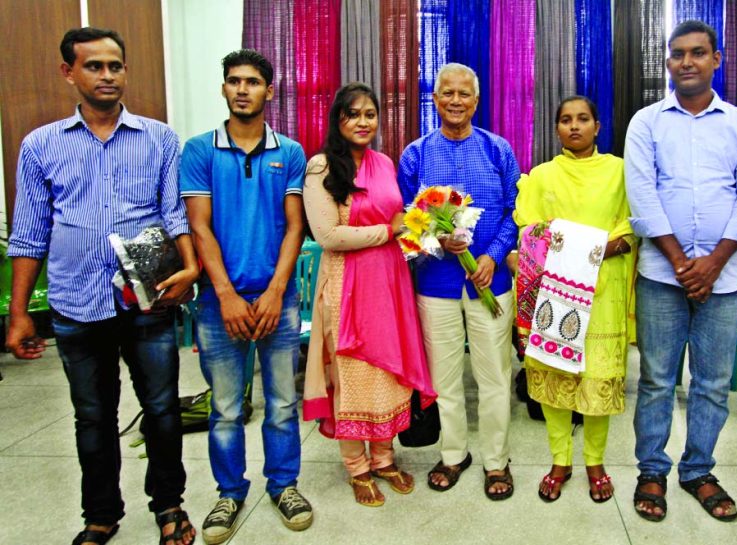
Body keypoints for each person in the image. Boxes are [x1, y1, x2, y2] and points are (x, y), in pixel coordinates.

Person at [5, 27, 198, 545]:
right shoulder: (41, 145)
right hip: (75, 302)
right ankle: (101, 514)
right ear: (69, 72)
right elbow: (29, 233)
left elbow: (174, 214)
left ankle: (169, 504)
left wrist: (191, 267)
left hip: (148, 299)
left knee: (160, 410)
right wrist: (19, 312)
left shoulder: (159, 137)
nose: (108, 75)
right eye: (94, 66)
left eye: (115, 65)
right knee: (92, 416)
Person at [624, 20, 737, 523]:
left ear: (717, 59)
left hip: (724, 279)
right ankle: (652, 470)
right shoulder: (646, 122)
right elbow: (642, 196)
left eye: (698, 53)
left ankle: (699, 470)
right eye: (678, 54)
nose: (687, 62)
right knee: (658, 380)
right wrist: (684, 263)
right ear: (667, 61)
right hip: (662, 276)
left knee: (711, 381)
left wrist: (714, 261)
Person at [180, 49, 312, 544]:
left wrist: (278, 291)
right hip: (220, 303)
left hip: (277, 300)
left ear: (269, 91)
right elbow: (199, 227)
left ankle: (284, 486)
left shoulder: (291, 152)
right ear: (223, 89)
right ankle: (229, 493)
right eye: (233, 81)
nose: (242, 89)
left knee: (282, 403)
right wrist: (226, 296)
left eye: (252, 82)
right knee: (227, 408)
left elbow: (295, 226)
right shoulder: (199, 150)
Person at [302, 82, 437, 507]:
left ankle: (384, 457)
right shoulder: (322, 167)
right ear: (338, 119)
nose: (363, 122)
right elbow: (327, 234)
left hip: (390, 282)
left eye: (370, 114)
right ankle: (357, 467)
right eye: (353, 114)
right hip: (346, 284)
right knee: (353, 376)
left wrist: (421, 228)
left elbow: (399, 215)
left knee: (387, 372)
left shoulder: (383, 162)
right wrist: (388, 231)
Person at [398, 62, 519, 500]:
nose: (454, 101)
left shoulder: (497, 149)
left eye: (463, 94)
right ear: (434, 99)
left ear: (476, 101)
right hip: (436, 285)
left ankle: (496, 461)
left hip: (491, 282)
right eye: (446, 93)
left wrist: (492, 255)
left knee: (494, 378)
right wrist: (434, 235)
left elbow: (512, 213)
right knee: (445, 379)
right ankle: (453, 455)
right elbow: (406, 223)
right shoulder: (415, 154)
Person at [514, 96, 636, 503]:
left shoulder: (619, 171)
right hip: (556, 292)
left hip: (603, 291)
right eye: (565, 120)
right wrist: (582, 247)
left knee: (596, 377)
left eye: (583, 118)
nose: (575, 126)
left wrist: (593, 251)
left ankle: (595, 461)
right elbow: (530, 230)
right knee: (555, 378)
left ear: (597, 126)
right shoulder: (543, 176)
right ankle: (560, 460)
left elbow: (630, 225)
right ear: (556, 129)